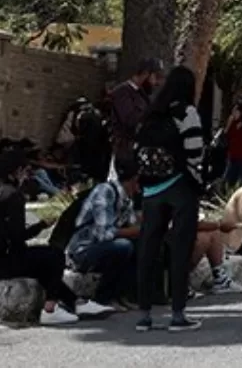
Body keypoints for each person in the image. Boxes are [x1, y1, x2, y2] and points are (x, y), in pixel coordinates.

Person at [133, 65, 208, 333]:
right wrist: (197, 180)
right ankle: (178, 313)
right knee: (180, 248)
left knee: (148, 248)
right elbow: (195, 152)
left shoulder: (150, 114)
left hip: (151, 190)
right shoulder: (186, 112)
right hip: (180, 187)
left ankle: (144, 314)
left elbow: (136, 149)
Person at [1, 147, 112, 325]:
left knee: (42, 265)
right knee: (54, 255)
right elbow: (17, 236)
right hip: (6, 261)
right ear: (17, 171)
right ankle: (50, 308)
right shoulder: (13, 196)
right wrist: (41, 225)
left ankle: (76, 302)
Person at [66, 155, 141, 311]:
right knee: (123, 246)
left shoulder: (127, 199)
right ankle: (103, 297)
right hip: (84, 249)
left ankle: (123, 294)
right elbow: (103, 234)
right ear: (135, 179)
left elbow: (133, 222)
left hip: (103, 247)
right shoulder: (105, 192)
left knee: (140, 244)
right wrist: (133, 231)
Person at [109, 59, 165, 174]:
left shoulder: (142, 95)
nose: (156, 83)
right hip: (123, 153)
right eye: (155, 77)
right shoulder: (122, 93)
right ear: (145, 74)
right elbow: (130, 120)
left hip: (137, 153)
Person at [222, 100, 242, 187]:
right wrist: (229, 123)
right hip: (232, 156)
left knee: (240, 182)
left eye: (236, 111)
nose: (234, 113)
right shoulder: (232, 122)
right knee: (227, 181)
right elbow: (226, 135)